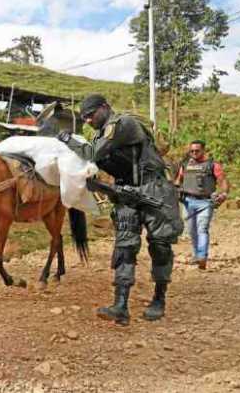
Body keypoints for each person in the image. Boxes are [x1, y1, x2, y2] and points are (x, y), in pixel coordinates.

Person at [58, 94, 183, 326]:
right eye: (83, 117)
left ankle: (159, 299)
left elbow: (92, 154)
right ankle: (121, 306)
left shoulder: (123, 124)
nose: (86, 121)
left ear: (105, 108)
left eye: (90, 115)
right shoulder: (100, 135)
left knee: (160, 245)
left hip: (154, 189)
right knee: (125, 248)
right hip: (126, 192)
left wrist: (68, 140)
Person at [175, 140, 230, 269]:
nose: (194, 153)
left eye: (197, 151)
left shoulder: (212, 165)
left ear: (203, 150)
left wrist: (224, 193)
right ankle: (196, 254)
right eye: (192, 151)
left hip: (205, 202)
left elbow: (223, 181)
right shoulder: (185, 164)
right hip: (188, 202)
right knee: (191, 230)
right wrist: (174, 190)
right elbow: (179, 180)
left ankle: (202, 256)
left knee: (202, 228)